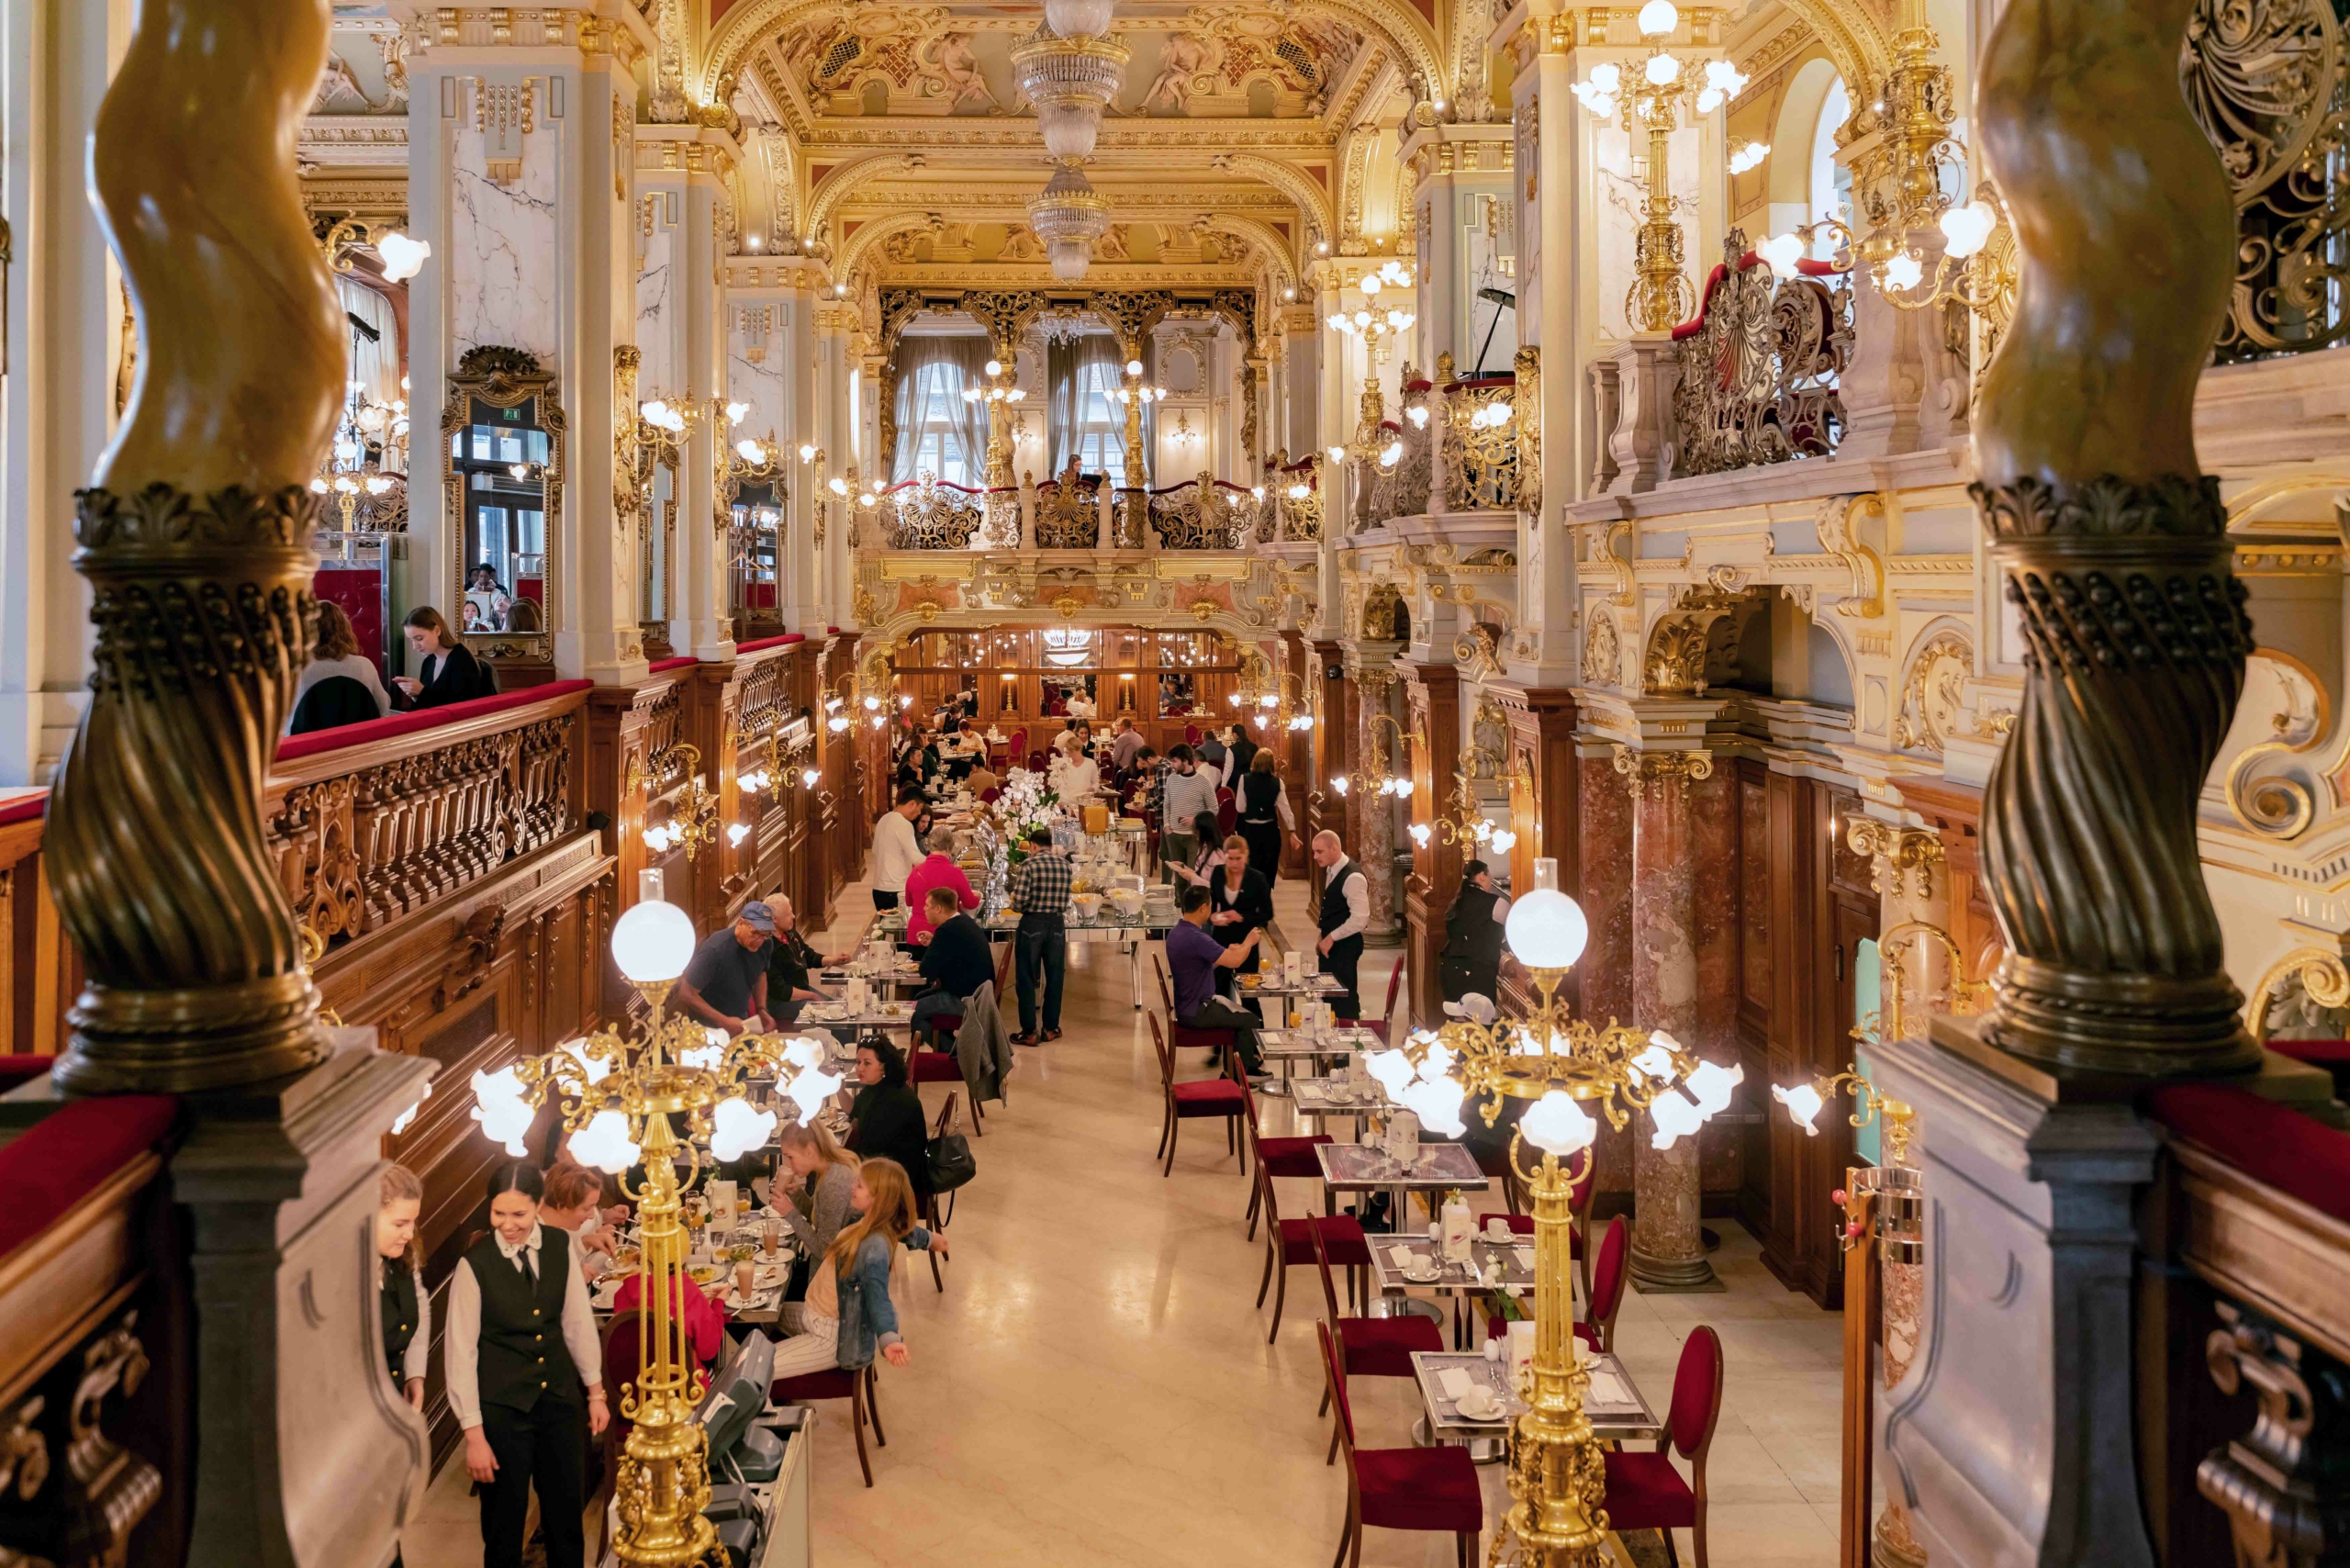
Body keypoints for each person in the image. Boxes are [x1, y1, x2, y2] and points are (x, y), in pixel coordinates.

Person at [447, 1161, 607, 1568]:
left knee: (566, 1521)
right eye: (498, 1213)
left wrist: (595, 1392)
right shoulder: (474, 1266)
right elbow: (460, 1354)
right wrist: (474, 1435)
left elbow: (576, 1322)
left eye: (518, 1214)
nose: (508, 1225)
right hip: (502, 1412)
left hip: (560, 1403)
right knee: (503, 1527)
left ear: (538, 1205)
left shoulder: (559, 1245)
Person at [766, 1159, 943, 1379]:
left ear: (878, 1199)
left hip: (830, 1335)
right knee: (764, 1317)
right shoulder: (866, 1219)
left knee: (756, 1368)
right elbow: (900, 1226)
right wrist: (929, 1239)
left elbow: (878, 1296)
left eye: (859, 1185)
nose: (852, 1186)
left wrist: (889, 1338)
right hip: (814, 1316)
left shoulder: (874, 1246)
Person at [1167, 883, 1267, 1073]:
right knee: (1250, 1021)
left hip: (1186, 1005)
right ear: (1203, 908)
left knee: (1239, 1015)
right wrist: (1249, 942)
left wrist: (1226, 953)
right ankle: (1246, 1074)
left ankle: (1235, 1070)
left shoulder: (1176, 932)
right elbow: (1235, 961)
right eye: (1211, 906)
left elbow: (1200, 963)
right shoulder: (1197, 938)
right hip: (1197, 1010)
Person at [845, 1036, 934, 1207]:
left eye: (867, 1063)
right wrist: (837, 1087)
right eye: (858, 1062)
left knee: (832, 1180)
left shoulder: (894, 1100)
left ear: (884, 1066)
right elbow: (854, 1109)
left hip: (898, 1183)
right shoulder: (877, 1086)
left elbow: (870, 1151)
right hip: (884, 1165)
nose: (859, 1068)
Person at [1007, 825, 1070, 1045]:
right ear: (1050, 845)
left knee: (1025, 976)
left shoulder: (1029, 865)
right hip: (1057, 923)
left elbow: (1020, 901)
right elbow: (1066, 899)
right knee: (1055, 976)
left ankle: (1029, 1031)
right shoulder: (1065, 865)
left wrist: (1014, 902)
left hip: (1032, 923)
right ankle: (1050, 1028)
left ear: (1033, 845)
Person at [288, 599, 390, 733]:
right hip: (357, 741)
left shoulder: (296, 669)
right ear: (345, 629)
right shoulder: (364, 665)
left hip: (307, 743)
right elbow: (383, 708)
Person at [675, 902, 774, 1036]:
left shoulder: (766, 944)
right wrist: (723, 1021)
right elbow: (686, 993)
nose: (759, 940)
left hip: (740, 1023)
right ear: (741, 923)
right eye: (755, 933)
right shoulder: (715, 950)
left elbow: (761, 973)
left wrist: (761, 1008)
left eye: (765, 934)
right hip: (708, 1029)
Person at [775, 1116, 862, 1269]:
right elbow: (820, 1217)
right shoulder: (827, 1169)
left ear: (810, 1151)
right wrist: (797, 1194)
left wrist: (790, 1213)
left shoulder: (834, 1182)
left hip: (839, 1274)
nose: (788, 1165)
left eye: (790, 1157)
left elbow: (825, 1251)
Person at [377, 1163, 430, 1412]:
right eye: (400, 1224)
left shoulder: (403, 1255)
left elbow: (420, 1306)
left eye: (413, 1222)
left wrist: (414, 1373)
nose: (409, 1234)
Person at [912, 886, 992, 1048]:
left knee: (912, 1013)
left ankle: (953, 1054)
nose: (924, 909)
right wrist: (935, 941)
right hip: (979, 993)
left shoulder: (946, 930)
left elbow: (926, 971)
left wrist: (935, 943)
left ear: (938, 908)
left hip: (966, 998)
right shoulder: (963, 921)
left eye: (927, 905)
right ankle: (951, 1046)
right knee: (919, 998)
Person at [762, 893, 846, 1026]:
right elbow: (781, 991)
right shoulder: (768, 947)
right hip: (781, 1003)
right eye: (788, 914)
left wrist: (834, 960)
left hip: (801, 990)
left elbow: (807, 955)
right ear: (774, 919)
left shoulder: (790, 933)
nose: (793, 916)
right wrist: (811, 996)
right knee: (833, 1019)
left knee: (841, 1011)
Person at [1312, 830, 1371, 1018]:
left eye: (1319, 852)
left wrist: (1331, 937)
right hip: (1331, 945)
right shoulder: (1332, 869)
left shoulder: (1353, 878)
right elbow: (1334, 909)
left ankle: (1349, 1030)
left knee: (1344, 997)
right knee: (1329, 996)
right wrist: (1322, 934)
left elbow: (1360, 919)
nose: (1315, 857)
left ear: (1334, 849)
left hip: (1345, 947)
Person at [392, 607, 494, 709]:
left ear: (437, 631)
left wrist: (422, 692)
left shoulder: (461, 659)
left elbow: (461, 706)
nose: (415, 646)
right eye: (411, 640)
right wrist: (415, 695)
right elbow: (425, 706)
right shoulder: (428, 662)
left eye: (419, 638)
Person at [538, 1159, 622, 1283]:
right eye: (586, 1208)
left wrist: (585, 1242)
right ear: (562, 1206)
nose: (591, 1216)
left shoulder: (557, 1230)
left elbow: (562, 1264)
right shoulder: (529, 1238)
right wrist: (570, 1277)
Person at [1440, 859, 1512, 1003]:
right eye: (1489, 875)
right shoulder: (1497, 903)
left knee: (1460, 1016)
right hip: (1479, 975)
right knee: (1481, 1017)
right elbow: (1512, 935)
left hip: (1450, 971)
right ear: (1482, 876)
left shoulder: (1455, 902)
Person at [1209, 834, 1274, 989]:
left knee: (1248, 991)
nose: (1234, 863)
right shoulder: (1218, 873)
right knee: (1219, 989)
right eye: (1230, 859)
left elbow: (1267, 914)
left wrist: (1241, 917)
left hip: (1247, 940)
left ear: (1246, 855)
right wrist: (1212, 917)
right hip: (1221, 939)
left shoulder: (1257, 879)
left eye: (1238, 858)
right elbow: (1212, 905)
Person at [1235, 750, 1295, 886]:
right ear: (1272, 764)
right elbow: (1285, 809)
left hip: (1250, 831)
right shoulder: (1277, 782)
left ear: (1255, 762)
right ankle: (1265, 894)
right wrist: (1292, 830)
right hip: (1270, 831)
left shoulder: (1244, 779)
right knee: (1268, 869)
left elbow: (1240, 808)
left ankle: (1253, 895)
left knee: (1251, 869)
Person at [1158, 745, 1219, 879]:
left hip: (1194, 837)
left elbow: (1214, 809)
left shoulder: (1203, 782)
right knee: (1179, 878)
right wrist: (1167, 826)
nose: (1172, 765)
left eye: (1175, 761)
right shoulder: (1171, 779)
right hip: (1173, 835)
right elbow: (1167, 805)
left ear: (1185, 761)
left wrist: (1195, 820)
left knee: (1192, 877)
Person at [904, 849, 979, 946]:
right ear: (949, 850)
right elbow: (970, 903)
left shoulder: (916, 871)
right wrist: (977, 896)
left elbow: (909, 902)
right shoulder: (955, 872)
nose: (925, 908)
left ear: (929, 848)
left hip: (917, 934)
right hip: (947, 934)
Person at [869, 787, 927, 911]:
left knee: (886, 923)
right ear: (912, 804)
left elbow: (874, 851)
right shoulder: (904, 824)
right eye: (920, 808)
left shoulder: (883, 819)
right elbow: (916, 858)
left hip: (878, 889)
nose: (919, 813)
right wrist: (939, 863)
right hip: (896, 889)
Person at [1170, 810, 1225, 889]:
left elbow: (1216, 887)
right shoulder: (1204, 848)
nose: (1194, 833)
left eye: (1196, 830)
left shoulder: (1217, 854)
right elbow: (1200, 876)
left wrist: (1192, 877)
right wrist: (1184, 868)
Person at [1225, 722, 1259, 786]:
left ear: (1235, 734)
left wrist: (1223, 784)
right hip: (1251, 779)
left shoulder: (1231, 749)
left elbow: (1228, 768)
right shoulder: (1254, 747)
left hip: (1236, 780)